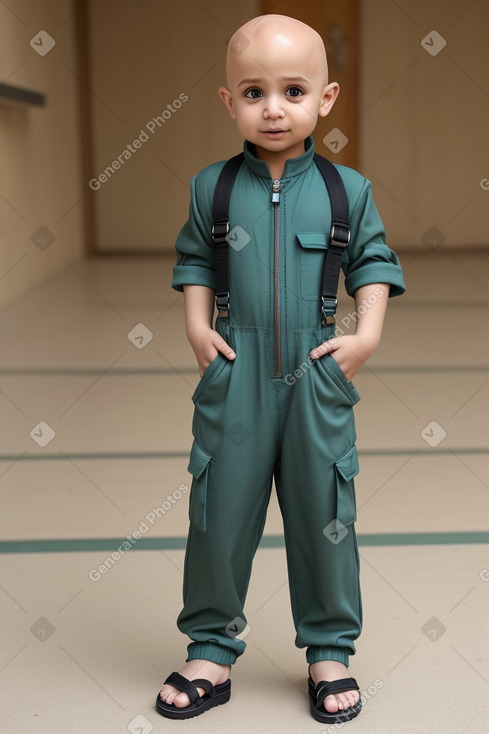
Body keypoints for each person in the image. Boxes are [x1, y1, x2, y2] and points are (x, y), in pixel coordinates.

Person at [156, 13, 405, 724]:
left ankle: (328, 648)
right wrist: (197, 323)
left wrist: (365, 336)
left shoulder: (345, 191)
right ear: (227, 101)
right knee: (217, 511)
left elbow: (374, 263)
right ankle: (209, 646)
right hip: (235, 370)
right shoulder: (212, 187)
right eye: (254, 92)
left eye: (293, 90)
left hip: (316, 370)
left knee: (325, 510)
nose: (273, 108)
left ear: (324, 99)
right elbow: (196, 260)